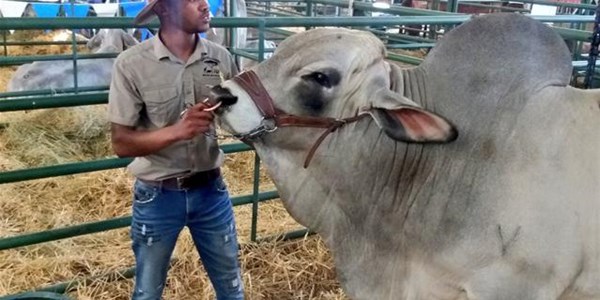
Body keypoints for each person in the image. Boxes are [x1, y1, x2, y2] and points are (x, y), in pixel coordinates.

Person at [107, 0, 244, 299]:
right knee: (147, 292)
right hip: (158, 195)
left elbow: (239, 116)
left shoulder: (220, 58)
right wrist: (179, 131)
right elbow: (121, 142)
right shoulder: (132, 64)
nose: (206, 5)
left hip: (211, 190)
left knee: (232, 289)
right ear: (165, 9)